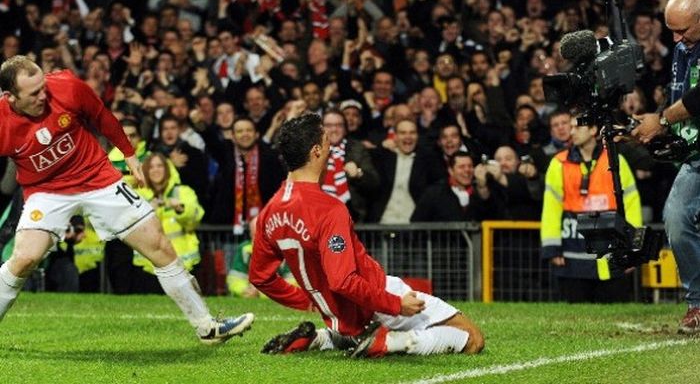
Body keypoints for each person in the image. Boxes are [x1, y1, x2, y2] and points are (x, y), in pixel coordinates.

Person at [0, 56, 253, 344]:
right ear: (10, 97)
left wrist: (129, 154)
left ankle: (207, 327)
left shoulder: (68, 86)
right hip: (47, 191)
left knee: (158, 244)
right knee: (24, 259)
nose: (43, 95)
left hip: (97, 178)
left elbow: (103, 117)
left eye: (43, 87)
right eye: (33, 94)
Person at [249, 114, 484, 358]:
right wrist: (396, 304)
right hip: (374, 296)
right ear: (316, 151)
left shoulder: (269, 213)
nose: (332, 147)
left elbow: (260, 277)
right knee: (472, 338)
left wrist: (310, 299)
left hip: (338, 314)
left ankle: (320, 339)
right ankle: (387, 343)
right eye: (327, 140)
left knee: (355, 325)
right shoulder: (328, 208)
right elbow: (343, 281)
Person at [632, 0, 700, 333]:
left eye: (683, 30)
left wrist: (662, 120)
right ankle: (697, 304)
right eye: (671, 30)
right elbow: (680, 99)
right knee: (675, 217)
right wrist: (655, 129)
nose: (676, 38)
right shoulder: (681, 49)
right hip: (695, 155)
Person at [542, 117, 642, 303]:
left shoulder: (616, 161)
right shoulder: (558, 163)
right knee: (575, 319)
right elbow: (551, 209)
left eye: (576, 127)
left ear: (593, 130)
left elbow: (632, 206)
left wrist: (633, 249)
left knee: (614, 316)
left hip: (610, 255)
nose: (571, 132)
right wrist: (552, 249)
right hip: (572, 254)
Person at [130, 153, 203, 294]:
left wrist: (182, 209)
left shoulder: (183, 192)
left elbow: (195, 219)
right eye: (151, 167)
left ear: (167, 169)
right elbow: (131, 227)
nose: (155, 170)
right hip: (149, 265)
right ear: (145, 171)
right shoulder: (138, 196)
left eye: (160, 166)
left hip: (183, 262)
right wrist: (148, 211)